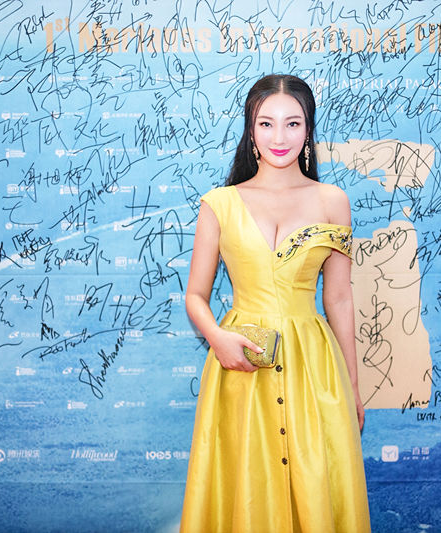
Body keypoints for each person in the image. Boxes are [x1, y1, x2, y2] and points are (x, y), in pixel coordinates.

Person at [180, 74, 371, 532]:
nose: (279, 137)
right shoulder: (220, 203)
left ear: (308, 130)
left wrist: (351, 386)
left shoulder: (333, 201)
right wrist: (218, 338)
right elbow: (195, 296)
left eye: (293, 123)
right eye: (266, 123)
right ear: (251, 130)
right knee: (246, 489)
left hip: (314, 369)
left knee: (316, 486)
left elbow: (339, 299)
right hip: (241, 365)